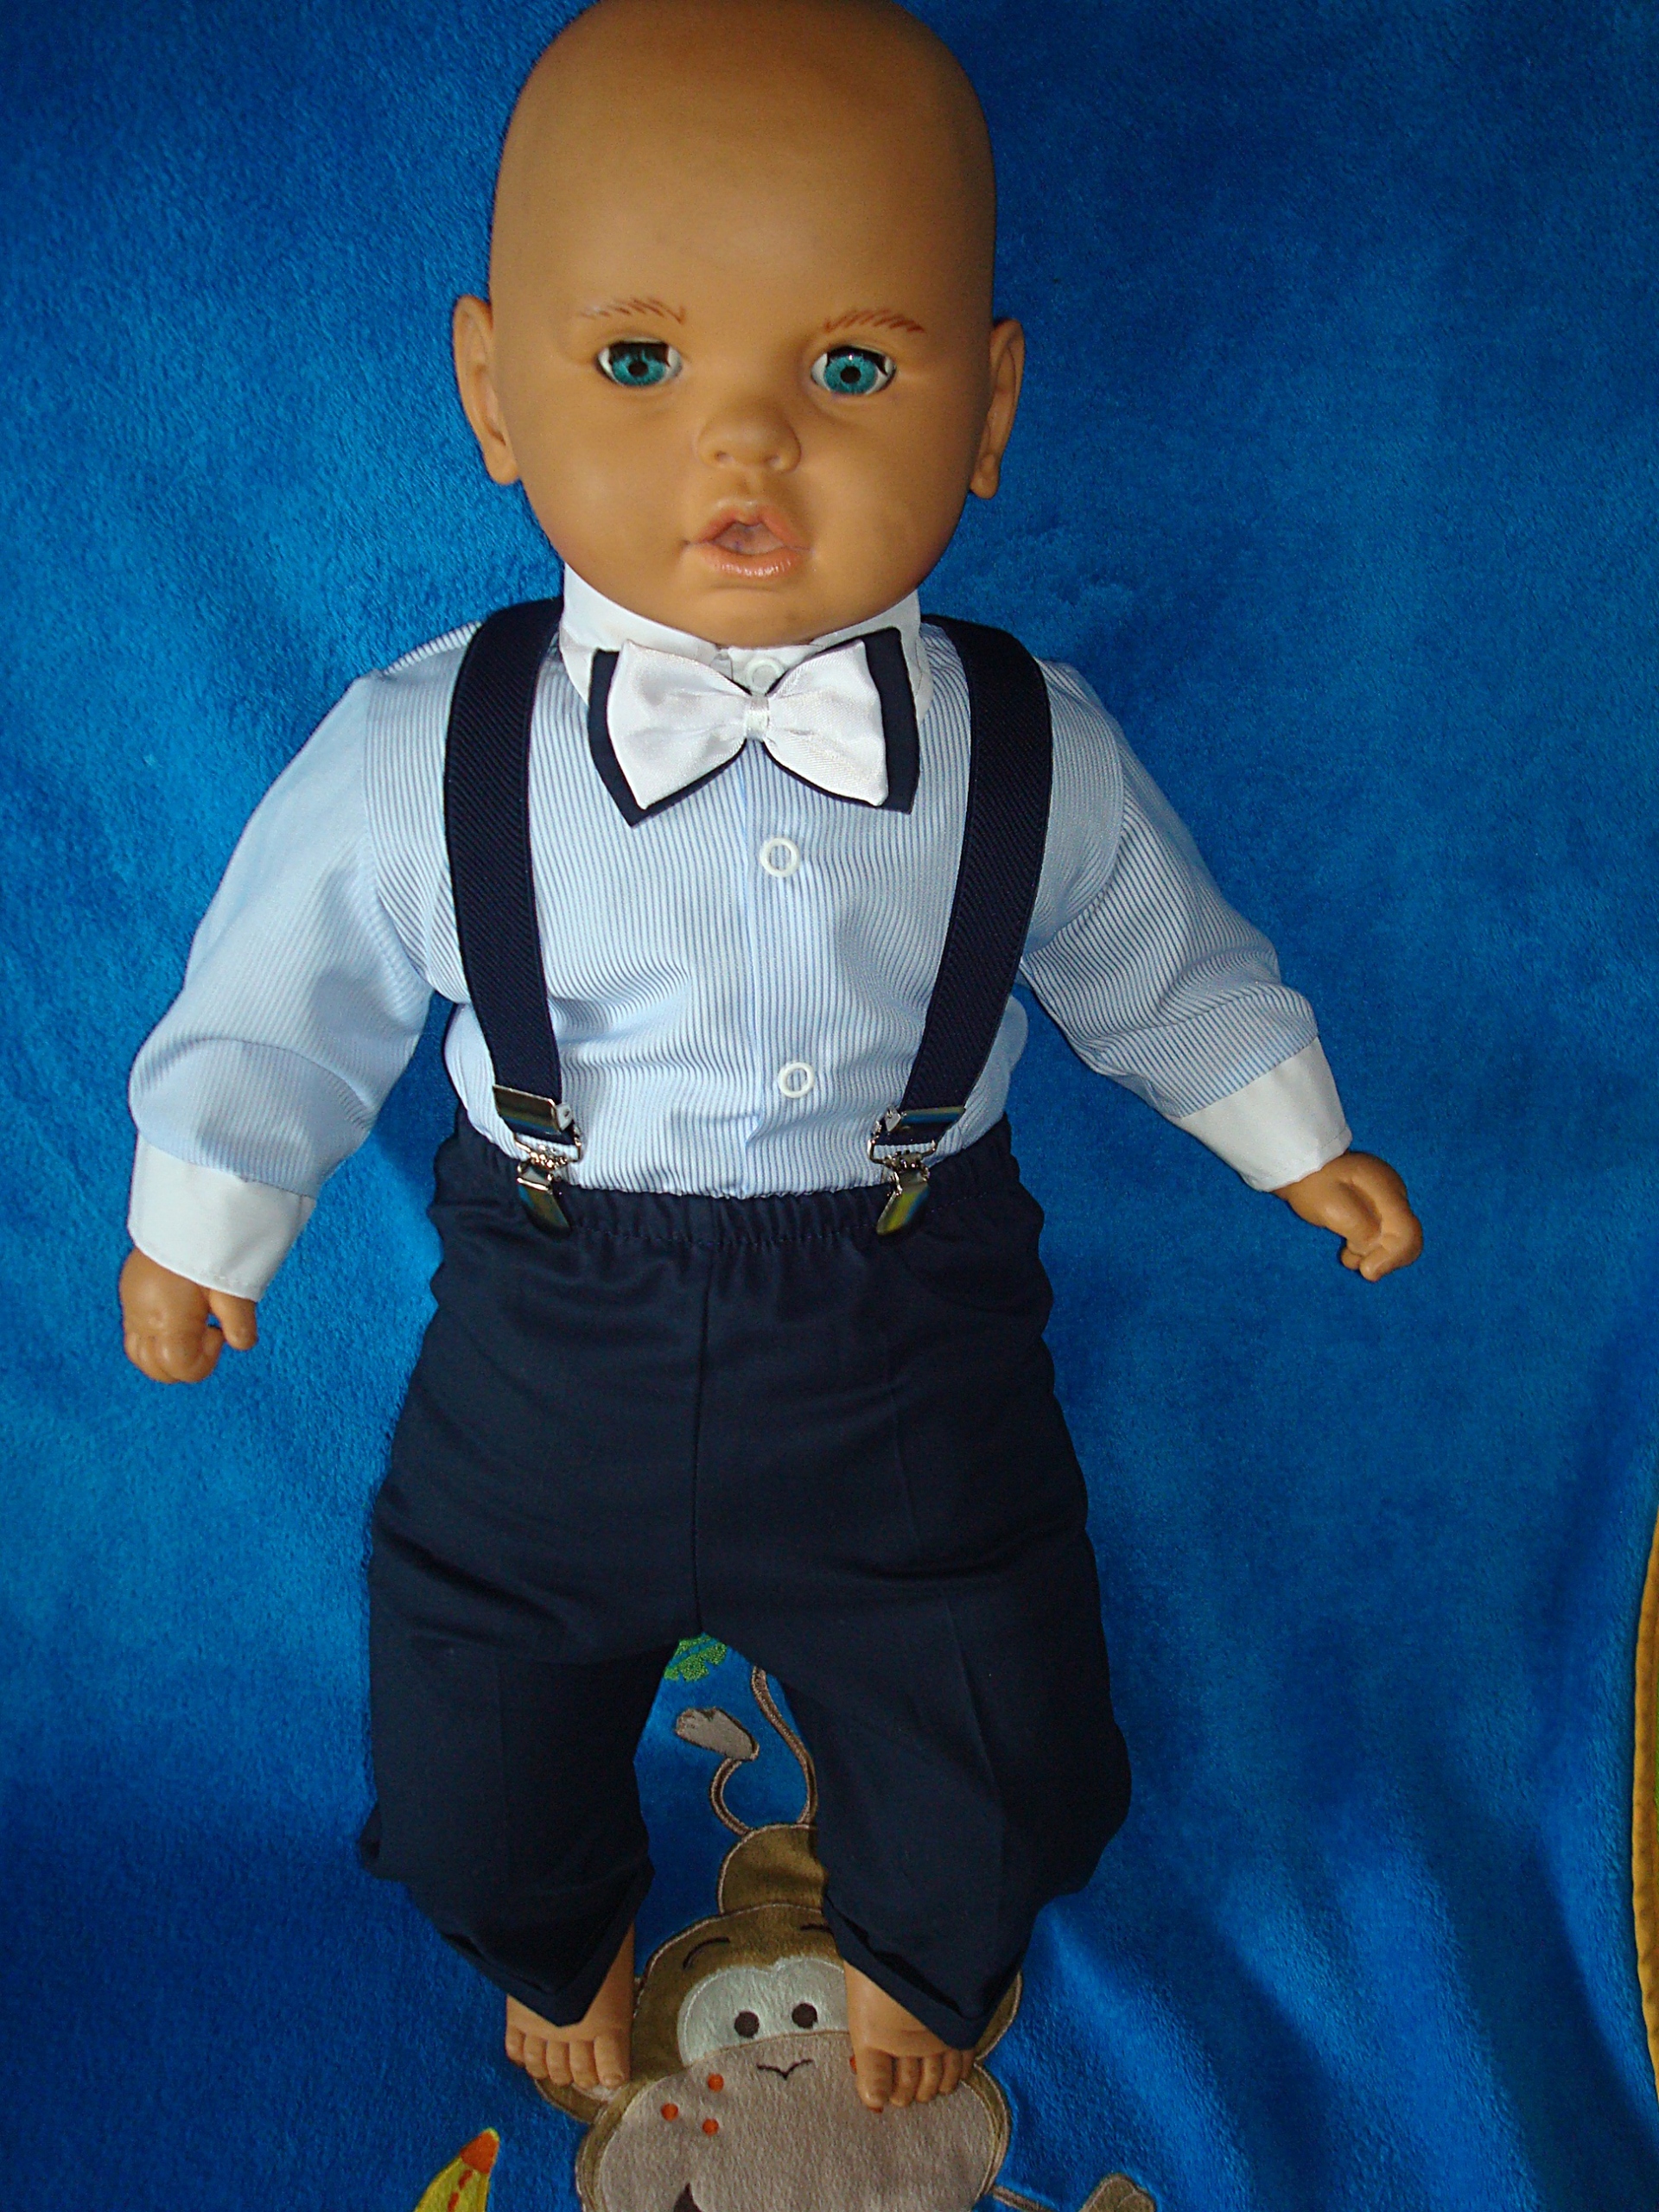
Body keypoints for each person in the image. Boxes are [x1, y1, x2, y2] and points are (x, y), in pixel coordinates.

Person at [118, 0, 1422, 2120]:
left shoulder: (1030, 746)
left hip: (908, 1331)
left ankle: (929, 1925)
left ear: (987, 407)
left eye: (851, 370)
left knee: (997, 1710)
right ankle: (550, 1921)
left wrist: (1294, 1133)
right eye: (642, 361)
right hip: (551, 1334)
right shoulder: (419, 748)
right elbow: (284, 998)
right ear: (495, 395)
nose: (748, 447)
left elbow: (1161, 960)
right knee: (464, 1732)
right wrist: (205, 1215)